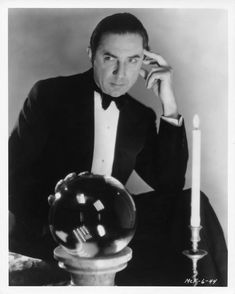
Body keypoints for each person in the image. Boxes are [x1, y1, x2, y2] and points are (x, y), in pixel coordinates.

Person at [9, 12, 227, 286]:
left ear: (145, 61)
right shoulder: (50, 95)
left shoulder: (139, 116)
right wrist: (55, 216)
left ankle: (210, 286)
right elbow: (10, 173)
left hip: (109, 228)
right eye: (110, 58)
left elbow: (169, 184)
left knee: (190, 203)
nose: (121, 74)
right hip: (52, 229)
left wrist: (168, 104)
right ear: (91, 55)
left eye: (132, 60)